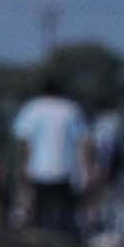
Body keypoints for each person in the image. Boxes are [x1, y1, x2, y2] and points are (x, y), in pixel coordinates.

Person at [12, 82, 90, 234]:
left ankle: (43, 236)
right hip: (65, 168)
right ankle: (61, 237)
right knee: (63, 210)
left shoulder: (32, 108)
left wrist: (24, 165)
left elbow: (24, 140)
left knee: (40, 207)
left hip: (38, 167)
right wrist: (85, 168)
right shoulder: (71, 109)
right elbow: (83, 141)